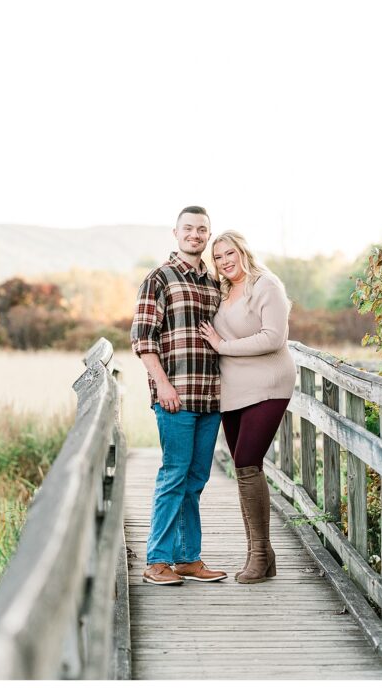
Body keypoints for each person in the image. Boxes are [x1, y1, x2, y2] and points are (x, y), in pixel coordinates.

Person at [130, 206, 226, 586]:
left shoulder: (213, 283)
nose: (195, 235)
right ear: (176, 232)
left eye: (202, 230)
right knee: (173, 475)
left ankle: (188, 558)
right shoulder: (159, 279)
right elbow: (142, 338)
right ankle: (157, 559)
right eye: (188, 228)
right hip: (176, 396)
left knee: (196, 478)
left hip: (211, 397)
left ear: (207, 235)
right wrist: (163, 384)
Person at [198, 230, 295, 584]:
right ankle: (261, 554)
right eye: (218, 256)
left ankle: (259, 555)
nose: (225, 261)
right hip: (234, 389)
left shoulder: (265, 285)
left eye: (229, 253)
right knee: (243, 469)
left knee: (248, 464)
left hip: (268, 384)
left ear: (242, 251)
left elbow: (274, 338)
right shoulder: (223, 291)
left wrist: (223, 346)